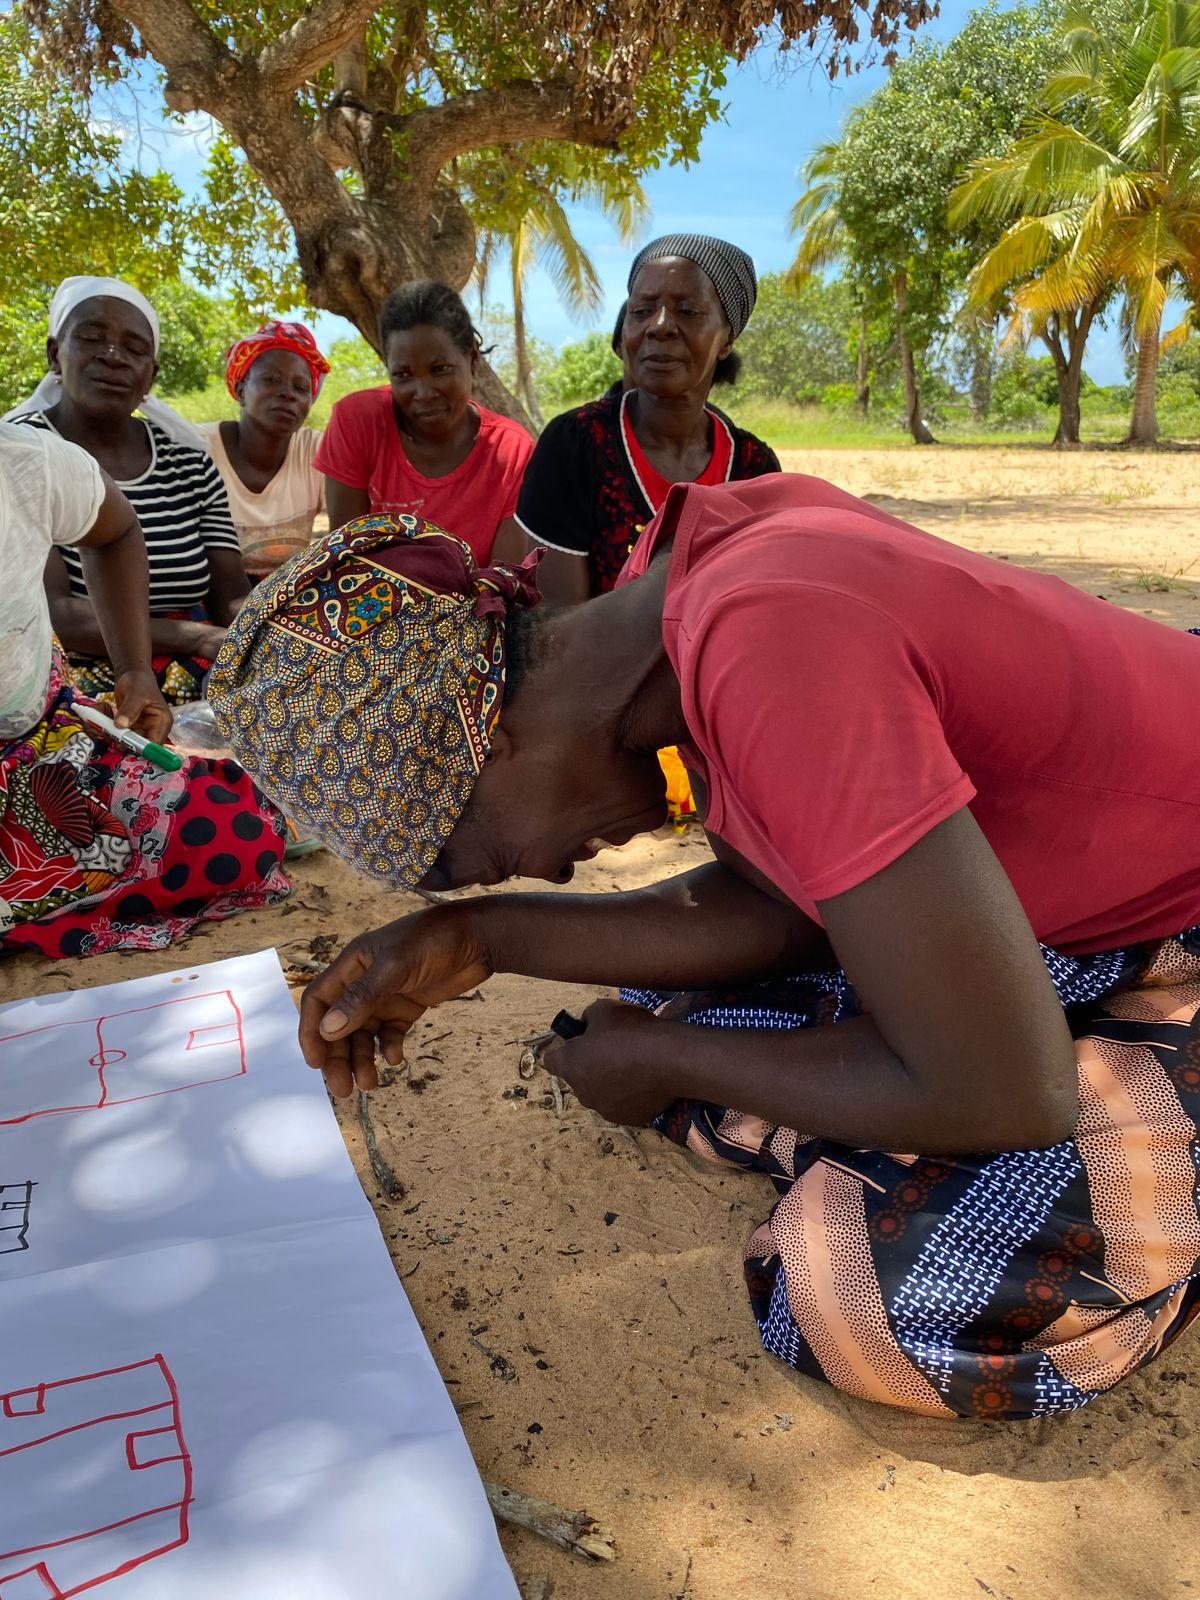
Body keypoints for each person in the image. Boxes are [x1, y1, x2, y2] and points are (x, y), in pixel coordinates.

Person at [209, 483, 1200, 1422]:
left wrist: (663, 1059)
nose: (547, 871)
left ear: (492, 740)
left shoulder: (771, 647)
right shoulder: (688, 575)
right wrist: (478, 933)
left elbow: (1007, 1092)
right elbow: (794, 900)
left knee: (869, 1294)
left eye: (498, 858)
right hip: (1084, 878)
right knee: (688, 1003)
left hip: (1175, 910)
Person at [0, 423, 288, 958]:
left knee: (235, 832)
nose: (113, 359)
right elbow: (65, 612)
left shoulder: (24, 461)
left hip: (34, 756)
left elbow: (115, 532)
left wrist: (134, 669)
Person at [6, 276, 249, 705]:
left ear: (150, 375)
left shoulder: (188, 461)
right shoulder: (25, 458)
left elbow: (229, 590)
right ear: (54, 355)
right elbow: (56, 614)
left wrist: (257, 631)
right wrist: (193, 637)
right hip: (76, 671)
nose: (113, 356)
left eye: (135, 349)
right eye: (91, 338)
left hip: (201, 658)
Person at [515, 234, 780, 605]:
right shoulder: (576, 445)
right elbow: (555, 632)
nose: (659, 326)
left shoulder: (754, 468)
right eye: (641, 311)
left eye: (687, 311)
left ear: (726, 339)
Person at [314, 281, 533, 564]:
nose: (424, 393)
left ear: (473, 359)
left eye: (440, 369)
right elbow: (345, 559)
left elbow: (502, 584)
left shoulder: (511, 452)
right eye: (403, 375)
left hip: (479, 608)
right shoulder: (357, 422)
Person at [198, 321, 329, 580]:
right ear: (241, 390)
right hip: (210, 596)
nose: (287, 394)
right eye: (272, 380)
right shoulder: (199, 447)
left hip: (286, 598)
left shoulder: (316, 451)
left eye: (301, 388)